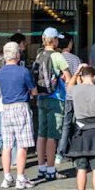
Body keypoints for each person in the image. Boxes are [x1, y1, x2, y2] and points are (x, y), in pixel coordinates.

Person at [0, 42, 37, 189]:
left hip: (6, 109)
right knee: (22, 146)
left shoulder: (0, 73)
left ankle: (7, 177)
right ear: (18, 55)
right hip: (21, 108)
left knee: (7, 146)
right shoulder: (23, 71)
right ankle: (20, 178)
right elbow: (34, 91)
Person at [36, 27, 72, 180]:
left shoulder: (39, 54)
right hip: (56, 99)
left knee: (41, 133)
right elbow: (69, 78)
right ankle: (51, 169)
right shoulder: (57, 56)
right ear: (54, 40)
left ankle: (41, 167)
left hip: (41, 97)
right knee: (53, 135)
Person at [56, 32, 81, 163]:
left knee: (64, 125)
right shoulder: (75, 59)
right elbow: (79, 77)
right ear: (70, 43)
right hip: (74, 94)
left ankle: (61, 152)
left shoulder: (56, 57)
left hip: (61, 95)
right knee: (77, 124)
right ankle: (75, 150)